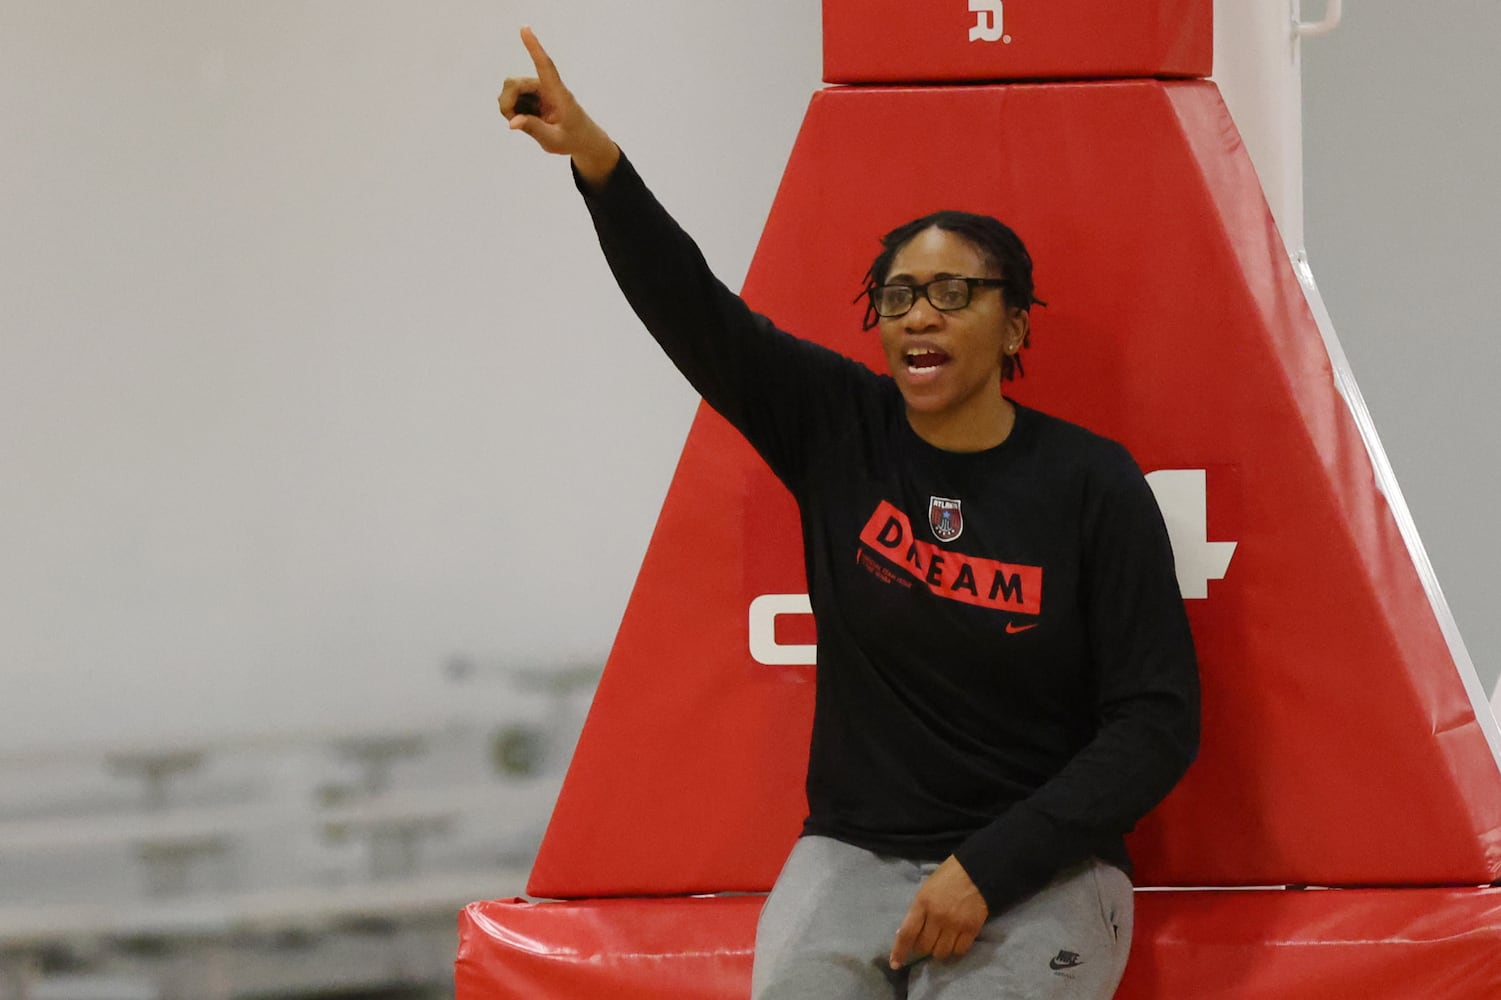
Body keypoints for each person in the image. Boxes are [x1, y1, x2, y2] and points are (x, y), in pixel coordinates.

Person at [500, 26, 1199, 1000]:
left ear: (1016, 324)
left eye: (952, 293)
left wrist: (988, 868)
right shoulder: (837, 428)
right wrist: (594, 159)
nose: (918, 314)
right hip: (853, 858)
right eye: (898, 294)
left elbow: (1155, 724)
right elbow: (695, 310)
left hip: (1045, 870)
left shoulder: (1091, 483)